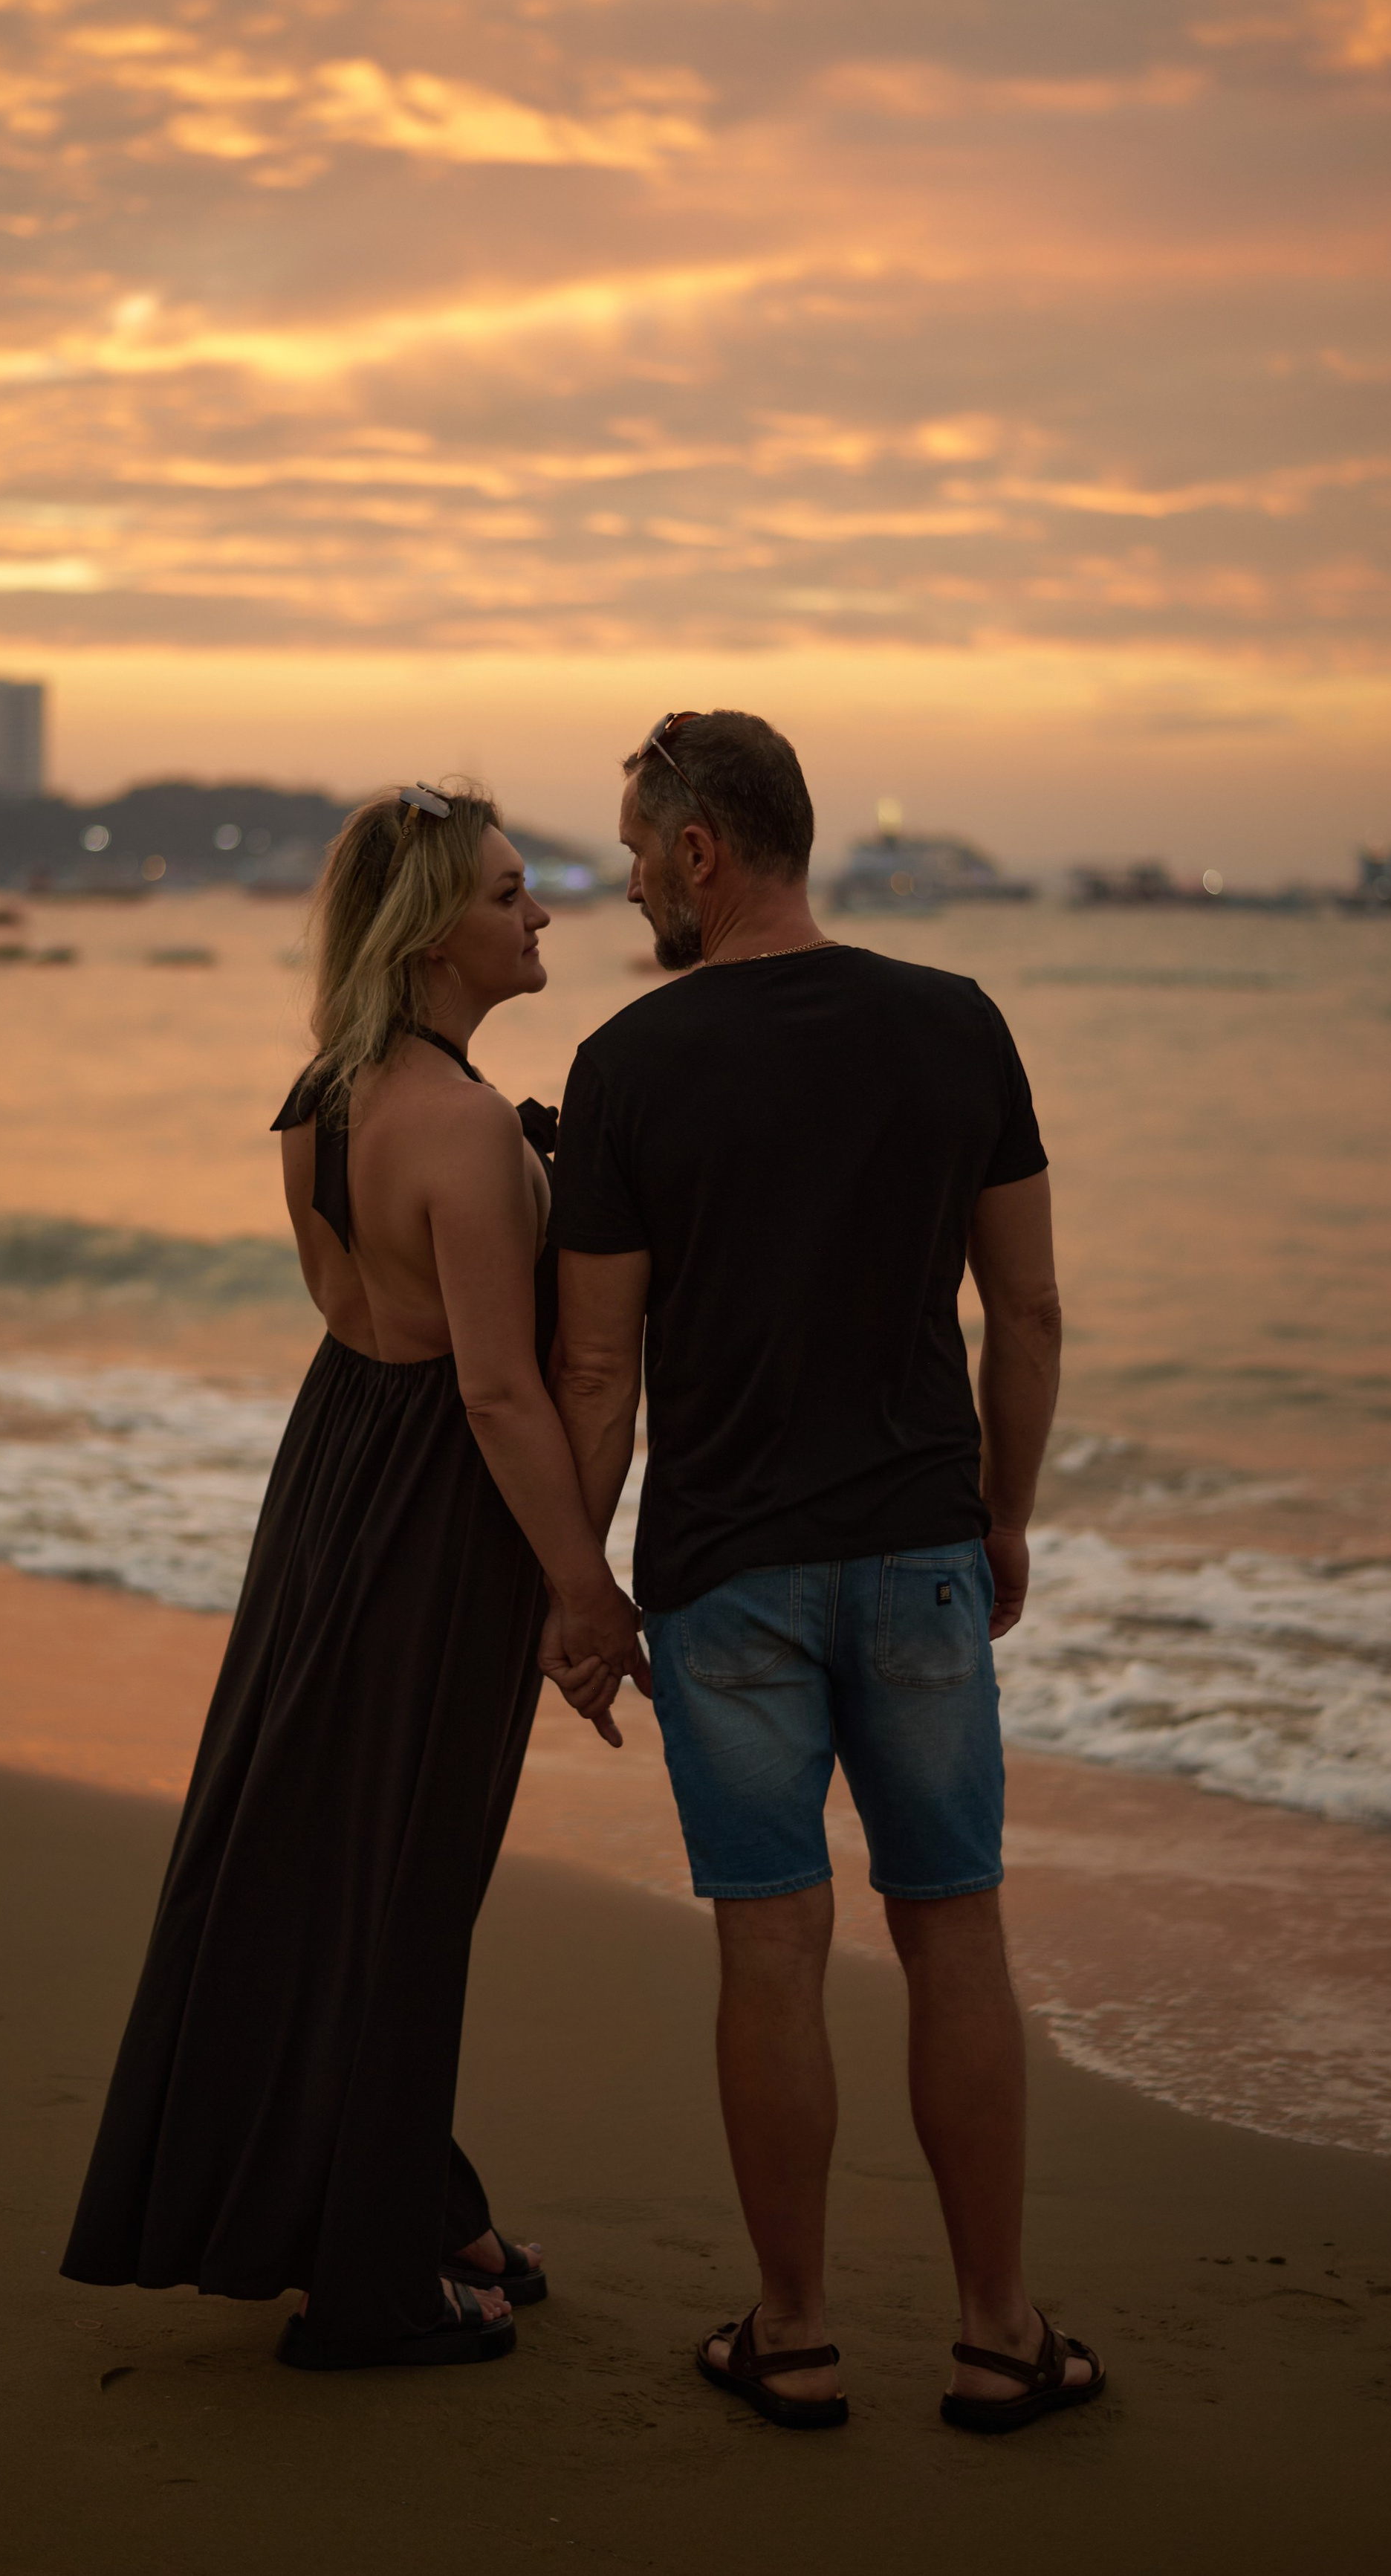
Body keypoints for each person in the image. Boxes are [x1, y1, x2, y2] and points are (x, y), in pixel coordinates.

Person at [543, 711, 1106, 2436]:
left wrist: (578, 1584)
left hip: (728, 1575)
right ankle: (997, 2333)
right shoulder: (954, 1025)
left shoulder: (631, 1066)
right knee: (952, 1933)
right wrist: (999, 1513)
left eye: (638, 845)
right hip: (920, 1548)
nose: (629, 874)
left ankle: (788, 2333)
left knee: (770, 1945)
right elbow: (1023, 1312)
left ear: (701, 851)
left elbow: (594, 1371)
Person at [62, 781, 640, 2371]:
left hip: (332, 1479)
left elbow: (365, 1320)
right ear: (433, 928)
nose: (540, 917)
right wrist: (579, 1587)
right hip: (436, 1509)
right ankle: (367, 2283)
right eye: (511, 894)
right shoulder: (454, 1122)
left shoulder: (326, 1093)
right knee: (406, 1879)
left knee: (332, 1851)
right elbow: (498, 1388)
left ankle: (416, 2193)